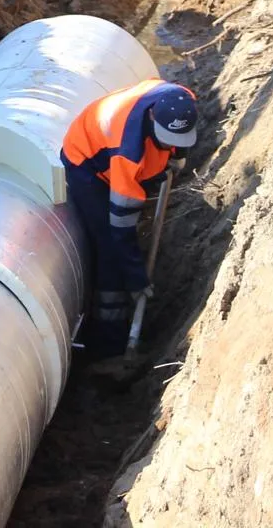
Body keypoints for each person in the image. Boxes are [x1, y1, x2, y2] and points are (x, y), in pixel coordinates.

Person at [60, 79, 198, 354]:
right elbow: (120, 230)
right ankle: (109, 342)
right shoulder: (128, 152)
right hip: (86, 162)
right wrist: (137, 278)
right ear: (151, 117)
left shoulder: (182, 99)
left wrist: (179, 155)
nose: (172, 144)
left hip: (113, 140)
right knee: (109, 249)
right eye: (167, 140)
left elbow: (181, 135)